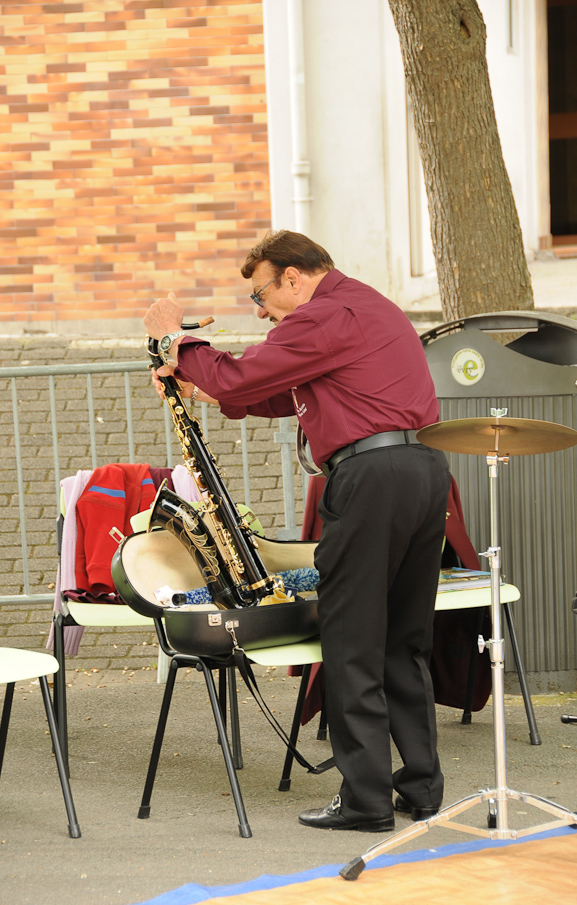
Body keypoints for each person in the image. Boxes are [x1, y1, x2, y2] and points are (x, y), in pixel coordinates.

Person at [144, 230, 450, 833]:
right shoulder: (365, 307)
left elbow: (244, 376)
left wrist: (173, 341)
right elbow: (285, 391)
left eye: (261, 295)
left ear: (293, 276)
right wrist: (205, 384)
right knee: (403, 641)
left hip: (371, 477)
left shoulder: (323, 312)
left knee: (352, 638)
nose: (260, 311)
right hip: (422, 469)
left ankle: (365, 801)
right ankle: (420, 788)